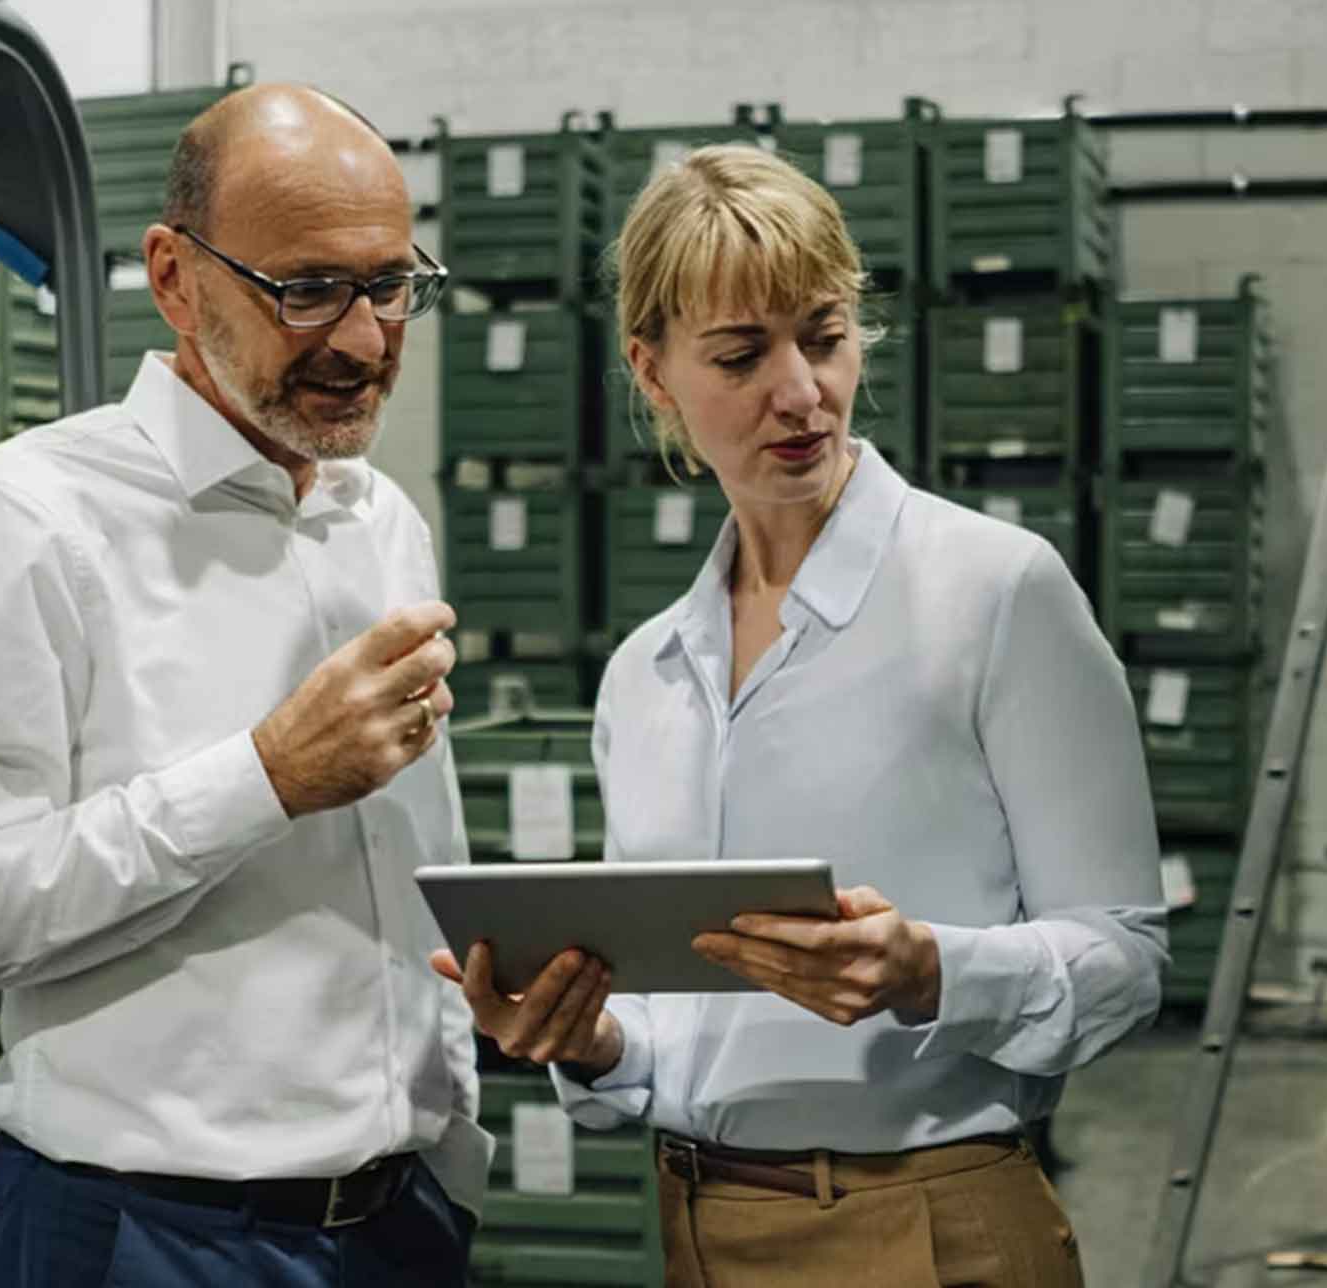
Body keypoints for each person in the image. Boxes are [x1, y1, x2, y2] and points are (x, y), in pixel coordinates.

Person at [436, 144, 1168, 1286]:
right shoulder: (649, 675)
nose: (802, 391)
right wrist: (591, 1039)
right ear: (653, 371)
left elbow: (1127, 957)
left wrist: (932, 969)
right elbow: (674, 1029)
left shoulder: (997, 593)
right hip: (695, 1226)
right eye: (742, 354)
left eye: (824, 336)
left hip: (926, 1224)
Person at [0, 84, 491, 1287]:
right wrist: (263, 780)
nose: (363, 340)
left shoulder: (382, 519)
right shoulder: (28, 524)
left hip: (402, 1222)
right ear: (173, 275)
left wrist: (451, 1142)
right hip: (148, 1237)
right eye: (306, 289)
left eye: (389, 285)